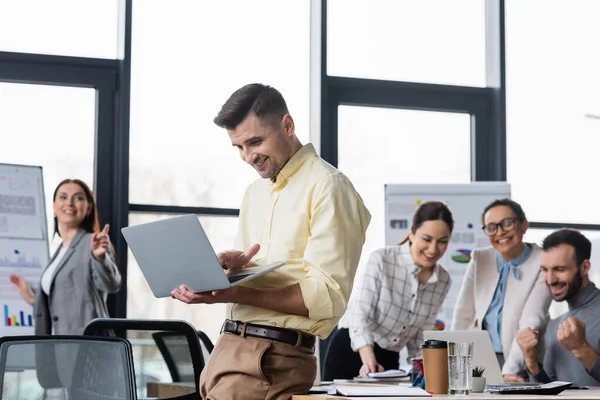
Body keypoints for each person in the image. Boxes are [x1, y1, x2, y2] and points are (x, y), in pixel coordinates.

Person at [171, 83, 371, 399]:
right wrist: (236, 268)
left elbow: (325, 298)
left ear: (287, 125)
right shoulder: (256, 193)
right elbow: (272, 274)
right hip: (228, 349)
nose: (249, 157)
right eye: (238, 147)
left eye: (255, 142)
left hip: (272, 359)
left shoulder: (329, 187)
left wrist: (234, 292)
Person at [322, 201, 454, 380]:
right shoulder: (382, 260)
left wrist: (425, 372)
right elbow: (360, 315)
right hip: (353, 349)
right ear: (411, 234)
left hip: (389, 360)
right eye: (427, 239)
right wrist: (369, 361)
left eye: (442, 242)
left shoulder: (443, 281)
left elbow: (419, 336)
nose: (433, 249)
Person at [451, 198, 552, 382]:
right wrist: (453, 364)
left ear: (524, 225)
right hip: (481, 359)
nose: (500, 232)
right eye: (491, 227)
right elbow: (462, 315)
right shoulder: (479, 259)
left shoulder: (542, 261)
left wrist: (510, 371)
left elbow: (530, 320)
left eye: (507, 223)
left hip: (520, 362)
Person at [9, 178, 121, 335]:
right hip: (58, 346)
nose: (69, 203)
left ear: (88, 208)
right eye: (63, 197)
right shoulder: (59, 251)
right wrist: (33, 299)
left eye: (78, 198)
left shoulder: (95, 242)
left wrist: (100, 258)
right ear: (54, 207)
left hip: (88, 346)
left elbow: (112, 284)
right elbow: (63, 308)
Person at [516, 229, 600, 385]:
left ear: (584, 268)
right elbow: (551, 389)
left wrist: (581, 349)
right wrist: (532, 363)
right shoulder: (554, 325)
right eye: (545, 270)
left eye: (560, 269)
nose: (550, 279)